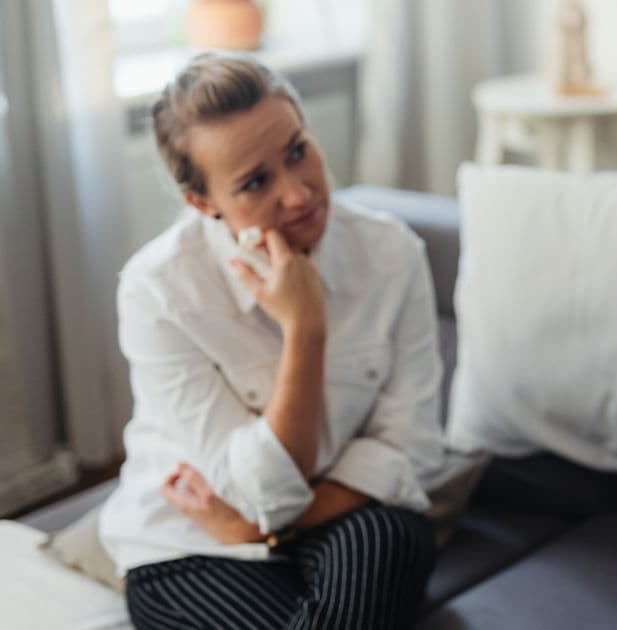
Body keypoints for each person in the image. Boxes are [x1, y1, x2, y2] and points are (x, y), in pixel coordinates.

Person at [99, 53, 445, 629]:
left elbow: (414, 447)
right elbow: (263, 493)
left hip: (349, 516)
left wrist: (267, 526)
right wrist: (304, 331)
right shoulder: (157, 292)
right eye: (256, 182)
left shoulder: (391, 254)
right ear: (204, 204)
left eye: (297, 151)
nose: (298, 193)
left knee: (391, 536)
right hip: (195, 543)